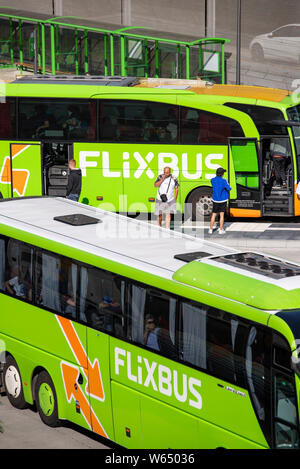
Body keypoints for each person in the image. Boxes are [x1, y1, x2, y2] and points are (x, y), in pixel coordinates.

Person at [209, 167, 231, 235]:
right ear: (222, 174)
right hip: (222, 200)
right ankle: (220, 230)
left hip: (215, 199)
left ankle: (210, 229)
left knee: (213, 215)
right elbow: (229, 188)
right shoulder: (224, 180)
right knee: (222, 215)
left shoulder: (212, 180)